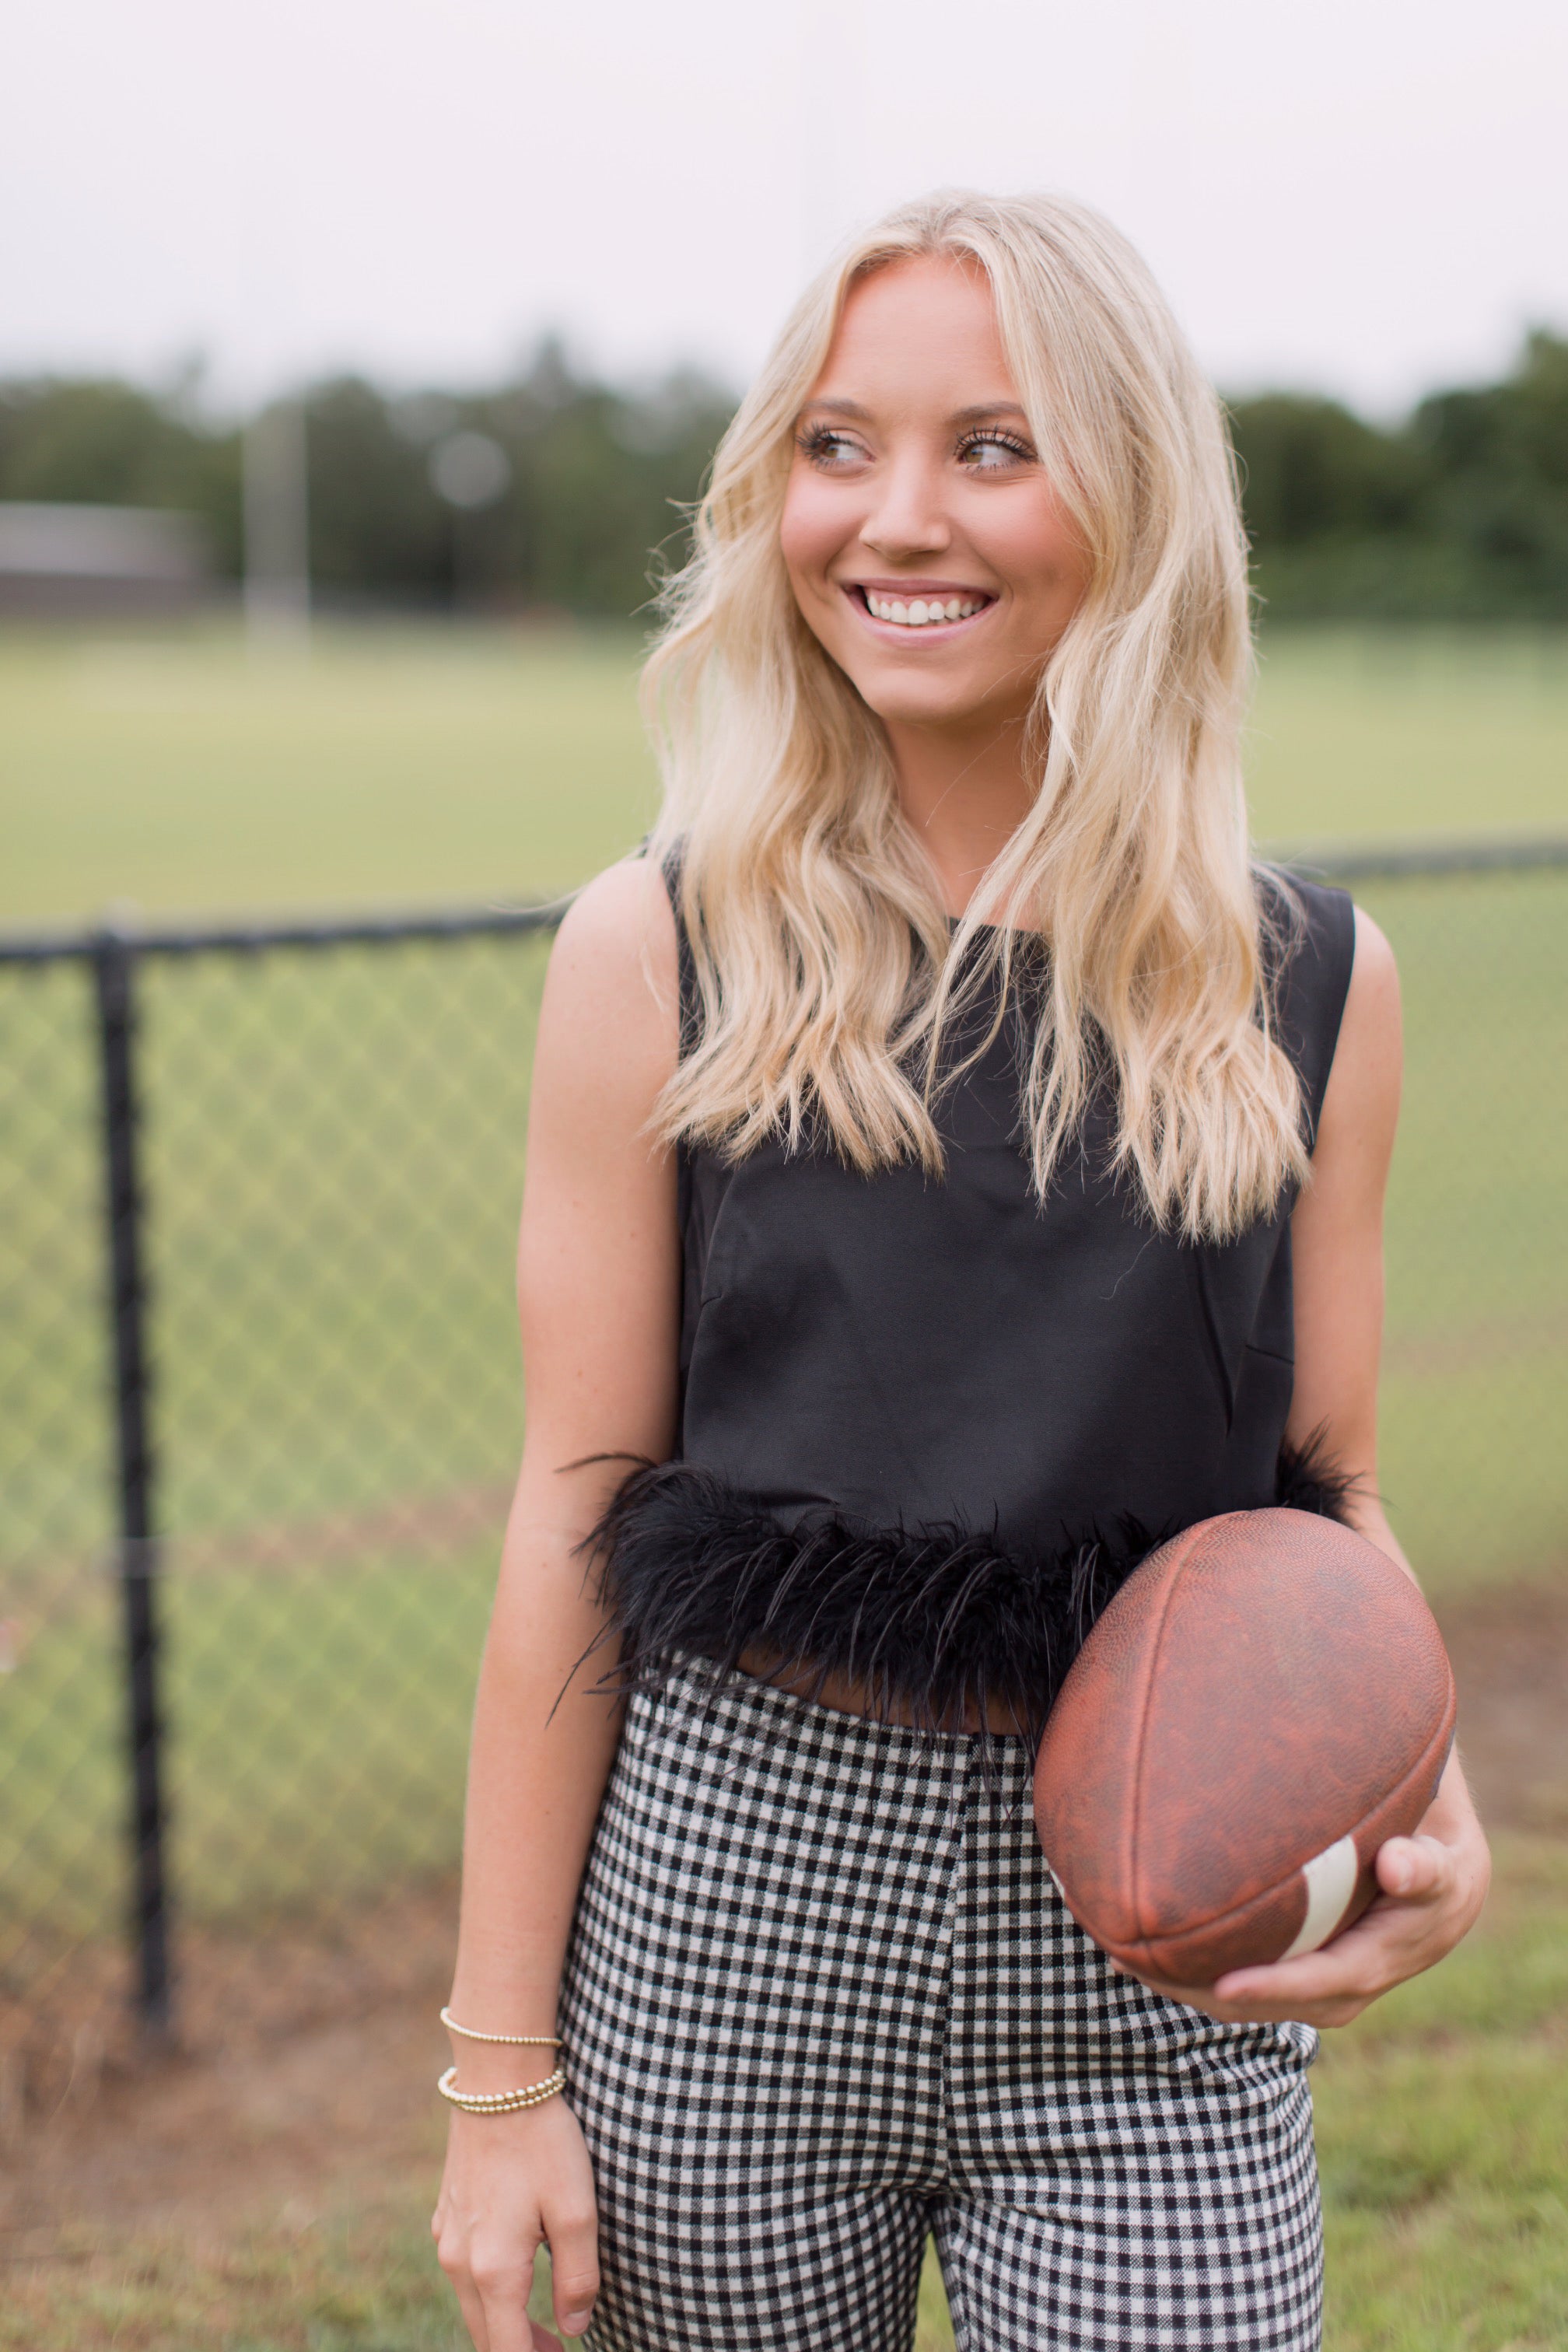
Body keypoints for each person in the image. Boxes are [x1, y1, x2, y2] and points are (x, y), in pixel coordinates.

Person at [432, 191, 1489, 2352]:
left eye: (994, 447)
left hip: (1154, 1944)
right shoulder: (660, 949)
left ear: (1139, 497)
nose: (897, 516)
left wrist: (1425, 1789)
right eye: (838, 445)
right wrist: (498, 2076)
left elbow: (1337, 1492)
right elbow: (569, 1511)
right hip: (731, 1917)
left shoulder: (1313, 982)